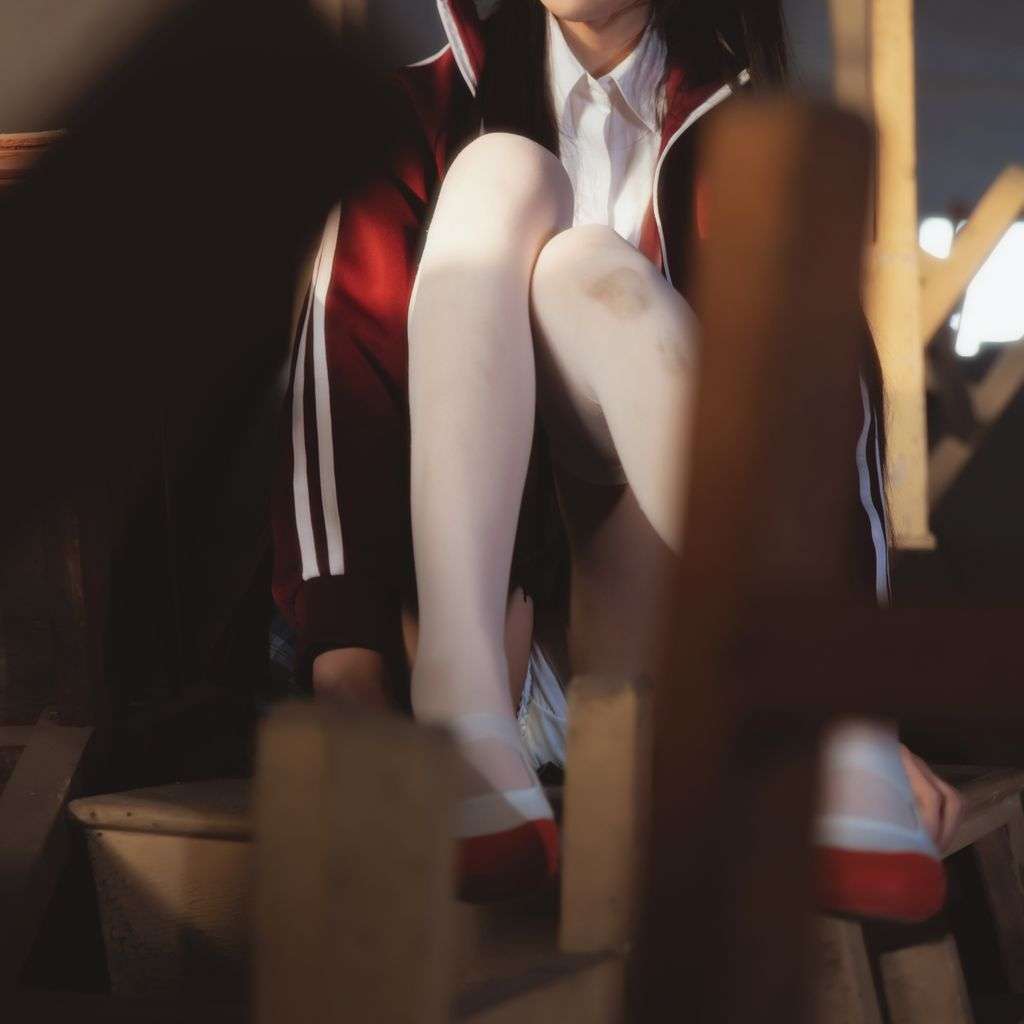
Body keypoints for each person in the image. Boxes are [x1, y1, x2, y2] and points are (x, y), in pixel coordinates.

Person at [272, 0, 963, 909]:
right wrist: (349, 690)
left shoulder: (752, 139)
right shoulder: (415, 117)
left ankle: (825, 719)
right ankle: (461, 709)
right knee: (500, 171)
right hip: (465, 644)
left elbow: (834, 425)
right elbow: (340, 398)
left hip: (666, 663)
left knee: (583, 270)